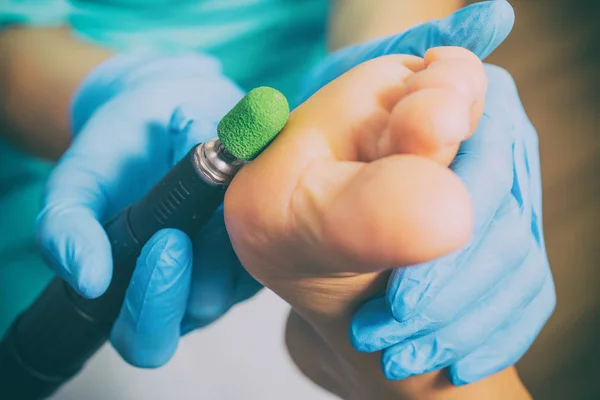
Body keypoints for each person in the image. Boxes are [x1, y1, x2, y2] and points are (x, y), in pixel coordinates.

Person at [0, 0, 553, 394]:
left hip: (283, 119)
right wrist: (104, 88)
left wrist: (386, 66)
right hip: (53, 150)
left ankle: (341, 158)